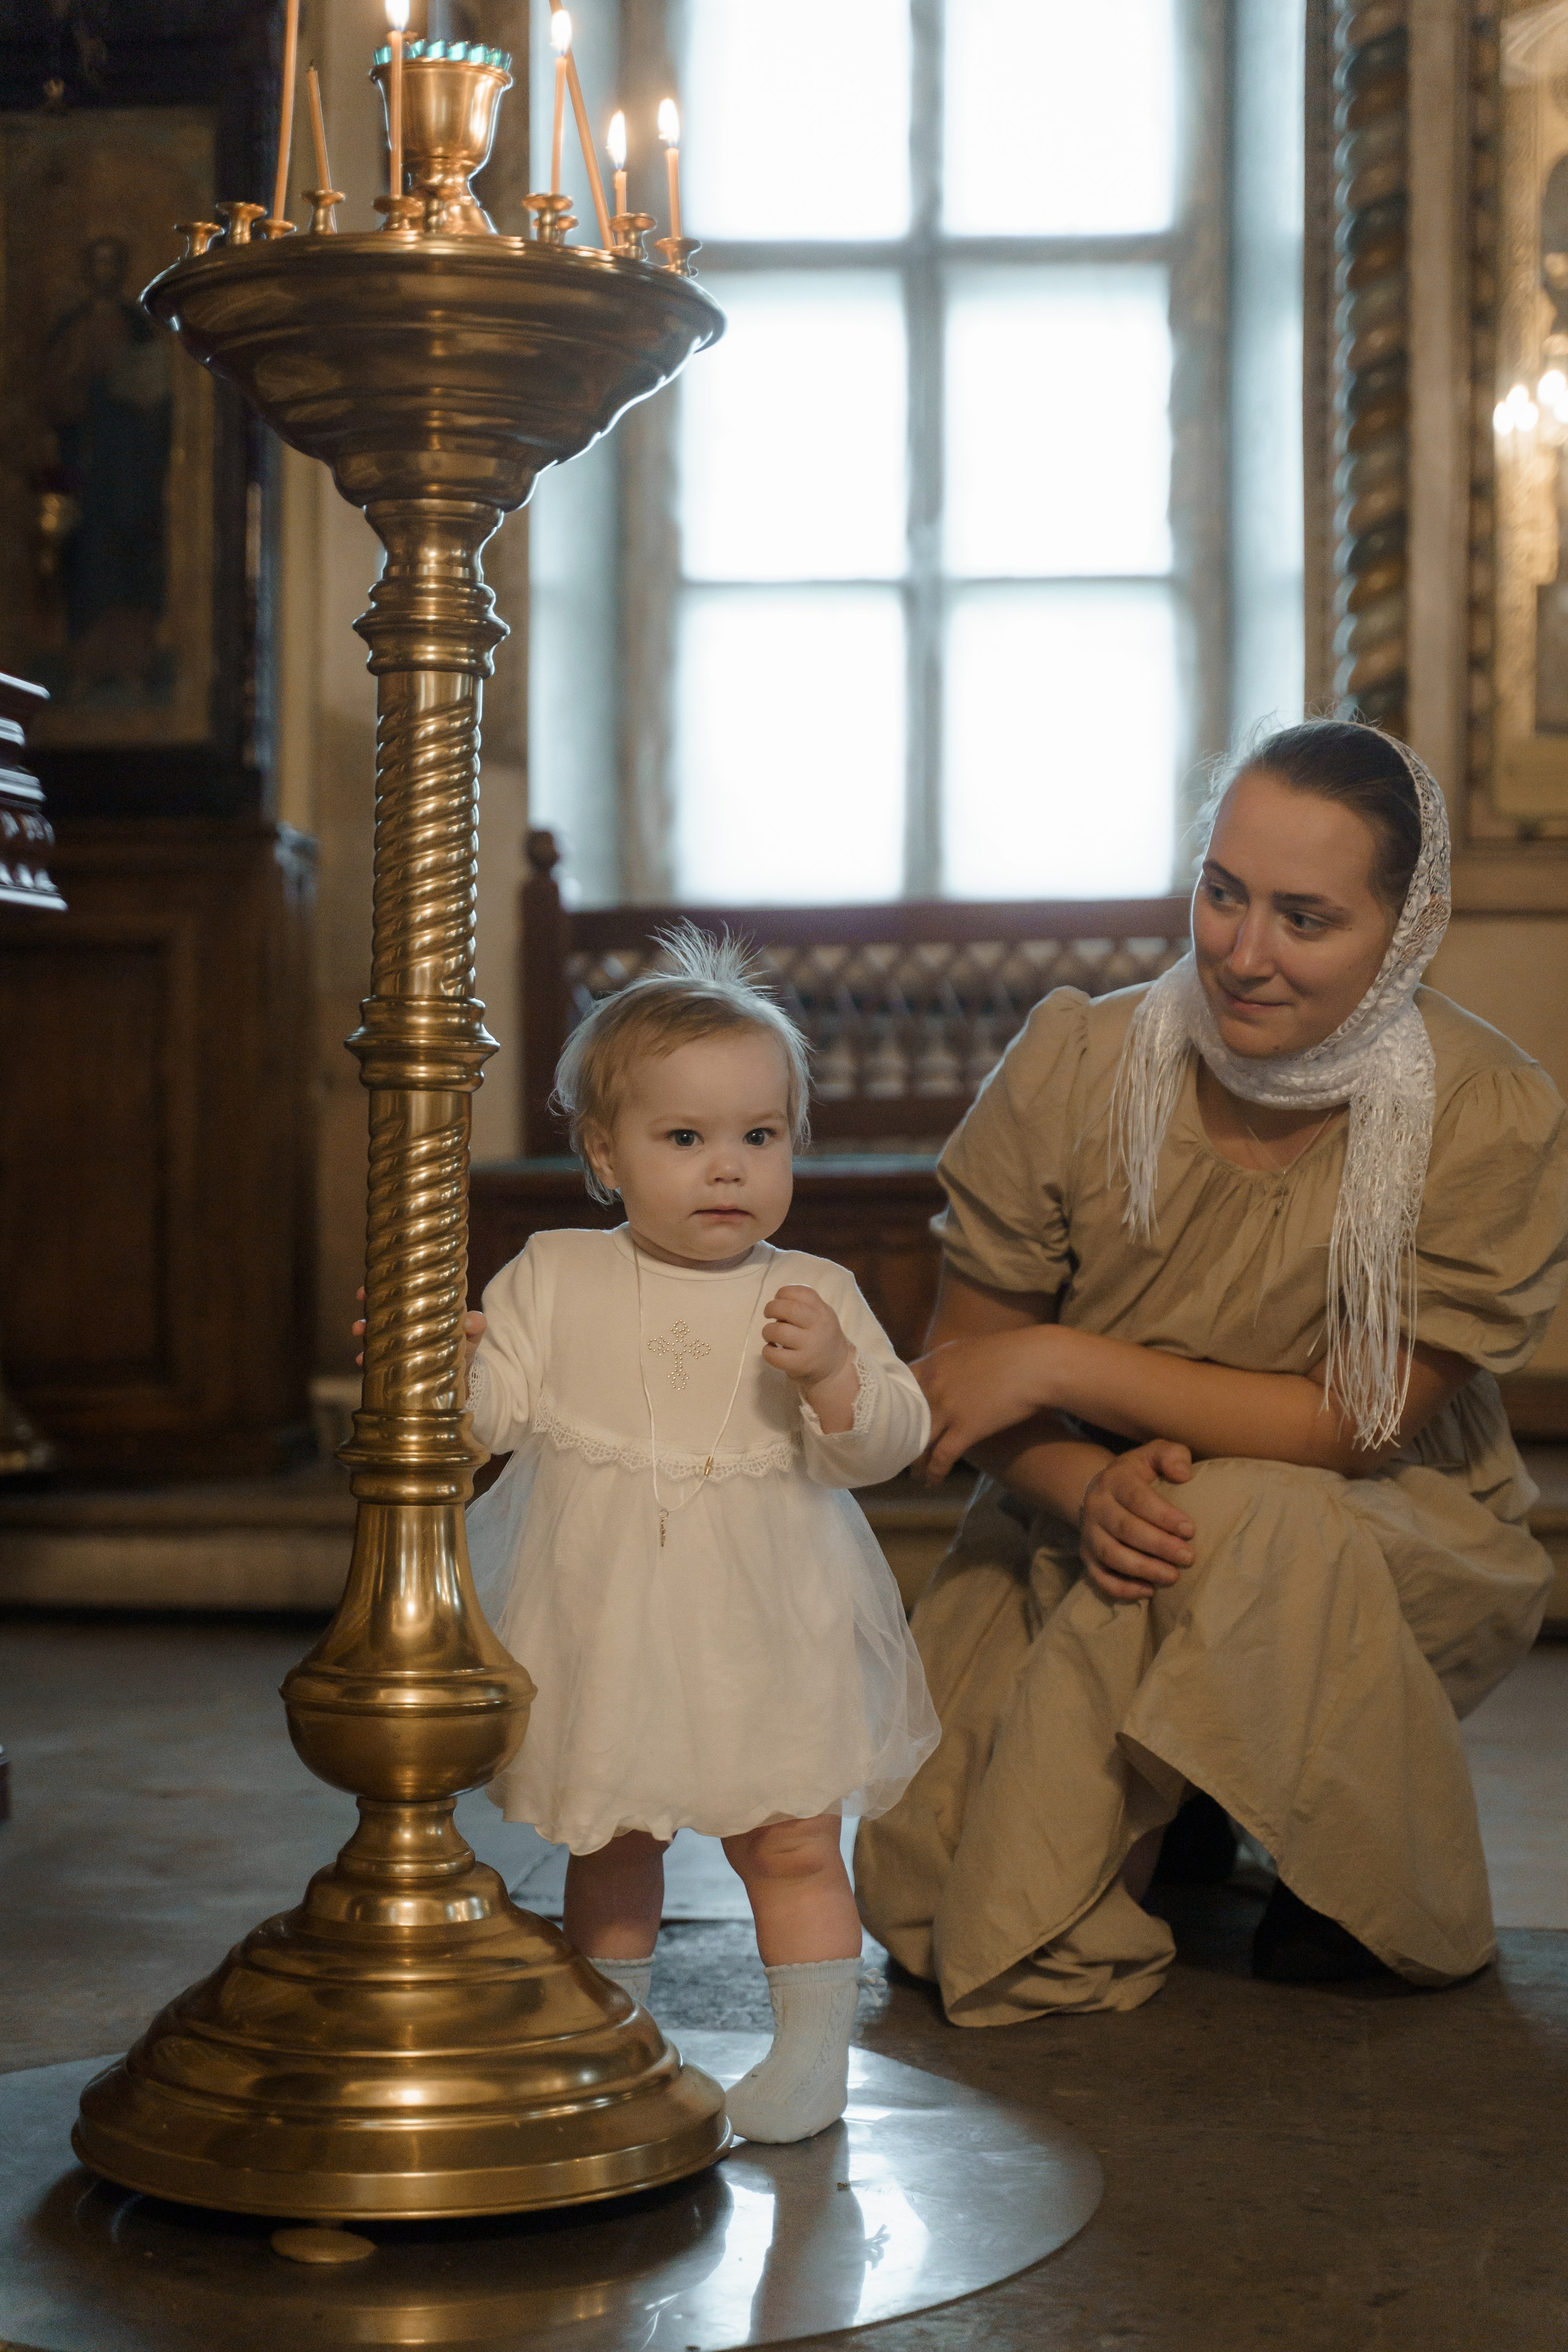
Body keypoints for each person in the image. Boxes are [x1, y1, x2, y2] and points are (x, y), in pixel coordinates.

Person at [854, 720, 1568, 2021]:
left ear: (1403, 929)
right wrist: (1077, 1485)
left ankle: (1353, 1861)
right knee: (921, 1896)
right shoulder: (1078, 1061)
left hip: (1382, 1528)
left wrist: (1064, 1359)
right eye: (1221, 892)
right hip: (1086, 1513)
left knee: (1246, 1518)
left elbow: (1354, 1428)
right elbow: (964, 1378)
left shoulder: (1479, 1109)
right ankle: (1189, 1776)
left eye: (1304, 918)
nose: (1241, 953)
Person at [459, 930, 938, 2139]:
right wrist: (443, 1370)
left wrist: (832, 1378)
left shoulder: (813, 1290)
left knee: (786, 1840)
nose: (725, 1169)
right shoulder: (554, 1274)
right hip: (602, 1617)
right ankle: (612, 2043)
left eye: (757, 1137)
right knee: (610, 1838)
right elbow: (487, 1425)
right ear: (603, 1154)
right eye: (684, 1139)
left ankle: (812, 2053)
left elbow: (882, 1443)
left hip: (762, 1621)